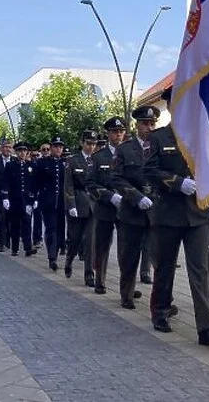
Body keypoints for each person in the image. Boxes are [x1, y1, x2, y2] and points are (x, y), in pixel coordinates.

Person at [144, 88, 209, 346]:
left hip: (197, 213)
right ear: (170, 107)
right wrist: (176, 182)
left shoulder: (202, 136)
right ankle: (160, 311)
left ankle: (206, 327)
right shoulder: (158, 137)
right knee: (166, 266)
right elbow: (149, 170)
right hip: (168, 212)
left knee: (200, 270)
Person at [112, 107, 158, 310]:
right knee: (130, 255)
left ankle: (161, 300)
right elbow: (116, 178)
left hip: (157, 211)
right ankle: (127, 294)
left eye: (152, 123)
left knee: (160, 257)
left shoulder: (160, 146)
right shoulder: (125, 149)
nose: (149, 127)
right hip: (132, 211)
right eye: (145, 123)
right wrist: (136, 197)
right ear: (137, 125)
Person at [86, 116, 127, 294]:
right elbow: (91, 184)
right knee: (102, 245)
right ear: (108, 134)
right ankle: (100, 281)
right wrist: (110, 196)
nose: (118, 135)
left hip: (126, 207)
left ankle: (126, 286)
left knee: (126, 248)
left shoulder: (130, 152)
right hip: (105, 207)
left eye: (121, 132)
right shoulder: (98, 157)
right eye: (114, 132)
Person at [63, 130, 98, 286]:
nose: (91, 147)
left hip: (93, 205)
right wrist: (71, 205)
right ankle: (69, 260)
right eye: (88, 143)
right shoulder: (72, 161)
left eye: (93, 144)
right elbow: (68, 185)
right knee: (75, 239)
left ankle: (89, 274)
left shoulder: (97, 160)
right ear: (82, 143)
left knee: (90, 241)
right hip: (78, 203)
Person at [34, 136, 66, 270]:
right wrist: (35, 198)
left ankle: (57, 251)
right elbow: (36, 181)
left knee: (60, 229)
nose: (58, 149)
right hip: (48, 201)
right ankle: (52, 257)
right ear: (51, 148)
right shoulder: (42, 163)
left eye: (60, 146)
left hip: (62, 202)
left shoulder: (65, 163)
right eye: (55, 146)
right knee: (51, 228)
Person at [3, 142, 37, 257]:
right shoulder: (10, 166)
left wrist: (35, 199)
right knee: (15, 225)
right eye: (19, 151)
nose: (22, 153)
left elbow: (34, 184)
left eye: (24, 151)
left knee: (27, 223)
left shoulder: (31, 165)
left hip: (27, 200)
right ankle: (15, 247)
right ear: (16, 152)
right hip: (14, 200)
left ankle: (28, 247)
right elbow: (6, 183)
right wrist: (5, 198)